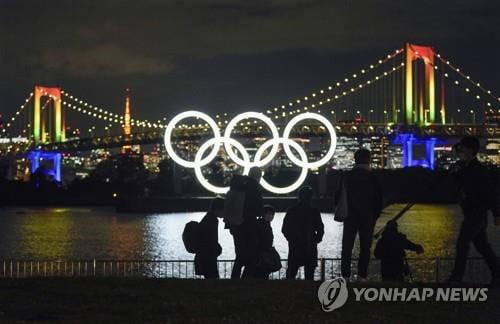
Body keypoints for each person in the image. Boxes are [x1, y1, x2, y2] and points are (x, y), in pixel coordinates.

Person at [447, 137, 500, 285]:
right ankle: (497, 274)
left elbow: (490, 193)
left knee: (462, 243)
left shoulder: (478, 170)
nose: (459, 152)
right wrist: (453, 174)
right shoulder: (465, 168)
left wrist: (497, 213)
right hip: (472, 213)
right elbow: (457, 185)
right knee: (482, 246)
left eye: (462, 149)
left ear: (470, 150)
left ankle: (456, 278)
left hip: (477, 213)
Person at [336, 148, 382, 281]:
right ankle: (362, 275)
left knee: (347, 247)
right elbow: (378, 199)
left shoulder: (347, 176)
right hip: (367, 217)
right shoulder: (373, 178)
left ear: (355, 159)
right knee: (365, 247)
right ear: (368, 160)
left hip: (349, 216)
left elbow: (337, 196)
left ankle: (345, 275)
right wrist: (374, 215)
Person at [228, 167, 264, 279]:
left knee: (240, 255)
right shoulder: (254, 188)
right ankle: (246, 279)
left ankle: (235, 280)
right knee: (253, 254)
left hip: (236, 224)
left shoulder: (239, 186)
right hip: (249, 225)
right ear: (258, 176)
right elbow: (258, 209)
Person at [282, 186, 324, 280]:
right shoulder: (314, 211)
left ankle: (287, 290)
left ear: (299, 197)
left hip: (295, 245)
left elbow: (285, 229)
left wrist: (291, 238)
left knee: (291, 271)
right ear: (310, 197)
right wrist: (317, 238)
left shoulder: (292, 211)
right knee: (309, 274)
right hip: (310, 244)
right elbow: (320, 228)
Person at [194, 197, 224, 279]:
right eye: (223, 210)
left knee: (210, 279)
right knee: (212, 279)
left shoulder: (208, 218)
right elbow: (211, 239)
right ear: (218, 209)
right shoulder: (213, 221)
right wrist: (217, 248)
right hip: (208, 257)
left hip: (204, 256)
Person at [255, 205, 277, 279]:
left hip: (265, 251)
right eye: (269, 213)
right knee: (262, 271)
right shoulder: (261, 225)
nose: (271, 216)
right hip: (261, 252)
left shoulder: (266, 225)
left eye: (272, 214)